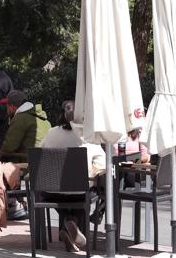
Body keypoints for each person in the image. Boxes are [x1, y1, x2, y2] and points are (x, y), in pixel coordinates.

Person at [40, 100, 105, 253]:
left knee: (66, 192)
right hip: (78, 193)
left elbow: (41, 153)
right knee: (91, 190)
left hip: (51, 193)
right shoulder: (88, 137)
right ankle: (72, 220)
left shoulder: (51, 133)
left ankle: (67, 226)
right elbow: (103, 165)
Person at [0, 90, 50, 162]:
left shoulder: (20, 118)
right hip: (46, 162)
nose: (6, 109)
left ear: (12, 107)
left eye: (7, 106)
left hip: (30, 164)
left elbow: (9, 147)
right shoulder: (43, 118)